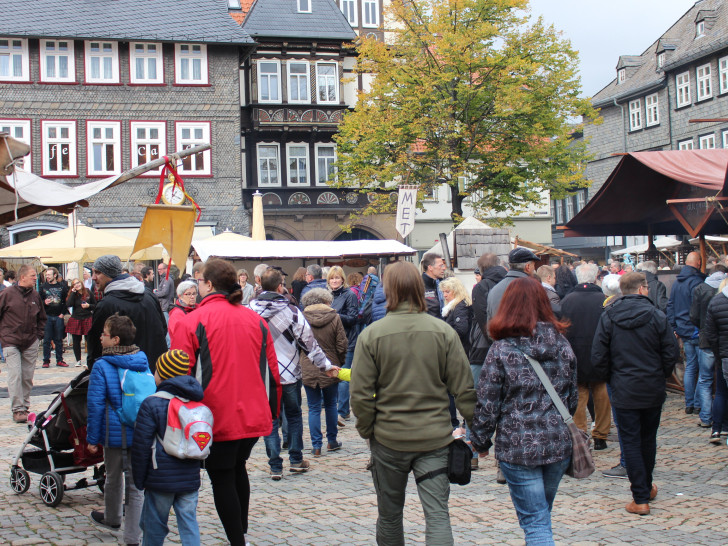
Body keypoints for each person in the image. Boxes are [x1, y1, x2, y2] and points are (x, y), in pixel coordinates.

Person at [351, 261, 476, 546]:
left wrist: (368, 429)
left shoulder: (371, 335)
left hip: (389, 438)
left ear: (388, 290)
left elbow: (359, 394)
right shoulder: (443, 332)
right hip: (434, 438)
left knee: (390, 515)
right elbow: (464, 388)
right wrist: (477, 432)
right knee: (437, 515)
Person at [171, 258, 280, 546]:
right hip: (253, 412)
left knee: (222, 476)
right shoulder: (254, 319)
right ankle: (240, 531)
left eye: (199, 281)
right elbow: (272, 370)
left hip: (214, 413)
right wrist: (272, 410)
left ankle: (237, 539)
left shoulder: (192, 321)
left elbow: (180, 374)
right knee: (237, 467)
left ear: (208, 284)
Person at [471, 277, 576, 545]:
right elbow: (572, 398)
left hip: (517, 445)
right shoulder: (562, 345)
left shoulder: (502, 349)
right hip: (556, 443)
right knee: (541, 516)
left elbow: (488, 402)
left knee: (535, 522)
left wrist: (480, 441)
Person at [592, 272, 679, 516]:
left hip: (624, 386)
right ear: (642, 289)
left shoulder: (609, 315)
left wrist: (611, 377)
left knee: (631, 440)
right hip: (649, 386)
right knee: (646, 439)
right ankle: (642, 491)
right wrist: (660, 375)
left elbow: (598, 355)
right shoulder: (657, 316)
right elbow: (670, 352)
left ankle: (641, 493)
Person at [249, 268, 336, 480]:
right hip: (288, 373)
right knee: (294, 416)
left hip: (263, 373)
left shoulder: (249, 311)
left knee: (270, 420)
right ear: (281, 287)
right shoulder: (293, 312)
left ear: (259, 283)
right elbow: (309, 345)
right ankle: (296, 460)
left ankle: (275, 465)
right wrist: (326, 366)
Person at [86, 314, 147, 545]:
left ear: (115, 340)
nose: (101, 337)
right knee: (136, 485)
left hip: (115, 432)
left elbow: (96, 404)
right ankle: (133, 537)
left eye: (105, 334)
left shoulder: (102, 365)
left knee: (113, 477)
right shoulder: (141, 358)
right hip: (140, 430)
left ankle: (112, 518)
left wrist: (93, 438)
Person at [132, 350, 203, 546]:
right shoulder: (195, 401)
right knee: (189, 524)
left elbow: (141, 446)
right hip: (189, 477)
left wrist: (140, 479)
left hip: (160, 479)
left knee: (154, 526)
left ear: (163, 374)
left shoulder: (152, 404)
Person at [560, 263, 611, 450]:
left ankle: (580, 433)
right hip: (600, 352)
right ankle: (601, 435)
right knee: (601, 393)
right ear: (596, 276)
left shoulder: (567, 300)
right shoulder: (603, 300)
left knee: (579, 395)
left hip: (575, 353)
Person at [87, 255, 168, 373]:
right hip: (155, 371)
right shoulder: (148, 295)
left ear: (110, 274)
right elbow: (163, 328)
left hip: (124, 376)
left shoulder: (107, 305)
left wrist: (94, 370)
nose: (93, 277)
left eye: (98, 273)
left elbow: (96, 345)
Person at [300, 288, 347, 456]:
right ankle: (332, 441)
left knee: (313, 408)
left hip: (308, 365)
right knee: (330, 404)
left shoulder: (302, 317)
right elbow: (342, 344)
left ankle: (316, 445)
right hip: (331, 365)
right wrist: (339, 362)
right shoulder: (334, 317)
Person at [0, 265, 46, 422]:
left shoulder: (35, 295)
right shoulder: (7, 294)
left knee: (27, 376)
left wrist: (39, 335)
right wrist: (3, 335)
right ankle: (18, 409)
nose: (35, 278)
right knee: (15, 375)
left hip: (30, 341)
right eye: (32, 275)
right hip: (10, 341)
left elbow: (42, 317)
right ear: (22, 277)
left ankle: (25, 407)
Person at [666, 251, 705, 415]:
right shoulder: (697, 282)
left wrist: (675, 327)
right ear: (698, 263)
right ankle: (697, 404)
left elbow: (670, 306)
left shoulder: (677, 282)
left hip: (683, 329)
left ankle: (690, 403)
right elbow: (698, 309)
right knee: (702, 371)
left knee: (690, 368)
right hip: (696, 330)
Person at [690, 266, 728, 428]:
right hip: (720, 347)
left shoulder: (702, 289)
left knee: (706, 380)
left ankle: (706, 416)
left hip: (708, 341)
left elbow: (694, 316)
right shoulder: (716, 296)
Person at [327, 266, 359, 425]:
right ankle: (338, 409)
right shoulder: (327, 295)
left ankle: (342, 411)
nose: (334, 281)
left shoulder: (350, 295)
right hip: (331, 341)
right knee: (333, 374)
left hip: (347, 340)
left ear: (342, 279)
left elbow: (353, 318)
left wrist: (335, 315)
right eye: (332, 278)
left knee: (343, 375)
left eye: (337, 278)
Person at [703, 277, 728, 443]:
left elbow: (710, 333)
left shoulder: (716, 302)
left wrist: (718, 353)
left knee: (720, 393)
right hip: (724, 354)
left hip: (724, 355)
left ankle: (717, 429)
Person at [487, 247, 539, 324]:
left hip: (498, 335)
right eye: (533, 265)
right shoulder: (532, 288)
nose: (534, 269)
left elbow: (489, 324)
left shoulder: (494, 290)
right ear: (527, 267)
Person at [40, 266, 69, 368]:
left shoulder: (62, 287)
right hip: (47, 316)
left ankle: (59, 360)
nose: (47, 276)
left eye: (49, 275)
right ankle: (46, 360)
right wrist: (44, 302)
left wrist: (62, 314)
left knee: (58, 339)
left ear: (55, 275)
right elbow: (39, 301)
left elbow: (67, 302)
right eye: (46, 275)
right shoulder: (43, 287)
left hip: (58, 316)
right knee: (47, 340)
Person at [65, 277, 96, 368]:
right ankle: (78, 360)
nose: (77, 285)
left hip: (87, 317)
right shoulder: (73, 294)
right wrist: (73, 292)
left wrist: (88, 305)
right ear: (73, 286)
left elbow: (95, 305)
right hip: (76, 318)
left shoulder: (88, 292)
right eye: (74, 284)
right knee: (76, 341)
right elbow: (68, 304)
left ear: (81, 283)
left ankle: (88, 360)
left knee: (88, 340)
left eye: (78, 283)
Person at [420, 252, 446, 318]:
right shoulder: (419, 285)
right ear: (430, 267)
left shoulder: (444, 283)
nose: (444, 268)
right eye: (441, 266)